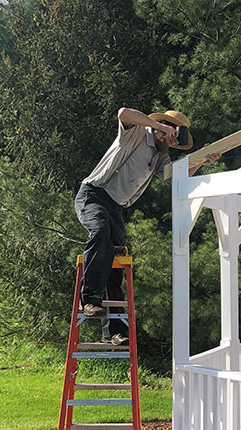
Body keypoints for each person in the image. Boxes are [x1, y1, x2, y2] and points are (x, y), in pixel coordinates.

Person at [75, 107, 220, 343]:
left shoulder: (161, 156)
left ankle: (113, 331)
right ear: (163, 129)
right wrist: (160, 126)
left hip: (115, 207)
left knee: (115, 263)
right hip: (94, 195)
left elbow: (178, 180)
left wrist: (202, 160)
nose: (172, 145)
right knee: (99, 232)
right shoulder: (137, 132)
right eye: (171, 137)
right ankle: (88, 299)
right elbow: (123, 112)